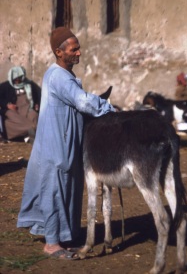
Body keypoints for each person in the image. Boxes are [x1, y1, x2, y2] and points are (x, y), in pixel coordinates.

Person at [17, 27, 115, 260]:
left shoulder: (64, 75)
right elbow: (82, 101)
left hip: (63, 144)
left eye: (78, 48)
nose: (79, 53)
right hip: (56, 148)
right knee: (54, 192)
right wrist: (109, 110)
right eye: (74, 49)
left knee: (63, 191)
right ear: (59, 52)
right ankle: (52, 244)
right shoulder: (58, 77)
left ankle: (57, 236)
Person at [0, 66, 41, 142]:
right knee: (9, 123)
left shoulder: (30, 84)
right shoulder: (4, 86)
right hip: (13, 110)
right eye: (15, 78)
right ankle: (32, 129)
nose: (18, 80)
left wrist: (37, 104)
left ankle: (29, 134)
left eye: (19, 78)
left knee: (34, 116)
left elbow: (39, 95)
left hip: (27, 108)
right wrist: (7, 105)